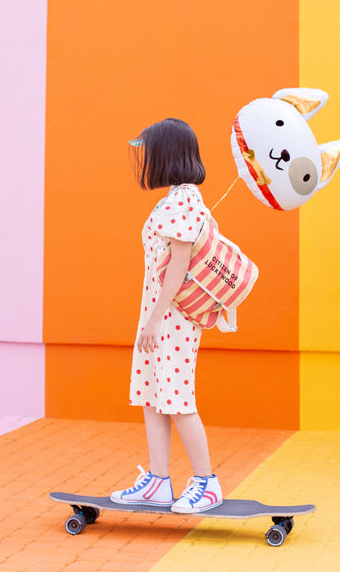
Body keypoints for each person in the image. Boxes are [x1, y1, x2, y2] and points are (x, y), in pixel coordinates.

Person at [110, 118, 222, 514]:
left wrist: (155, 319)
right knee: (154, 396)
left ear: (168, 155)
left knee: (176, 398)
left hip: (170, 319)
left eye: (152, 152)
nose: (147, 159)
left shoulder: (183, 201)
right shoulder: (177, 198)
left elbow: (178, 265)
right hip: (159, 317)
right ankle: (158, 481)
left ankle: (207, 483)